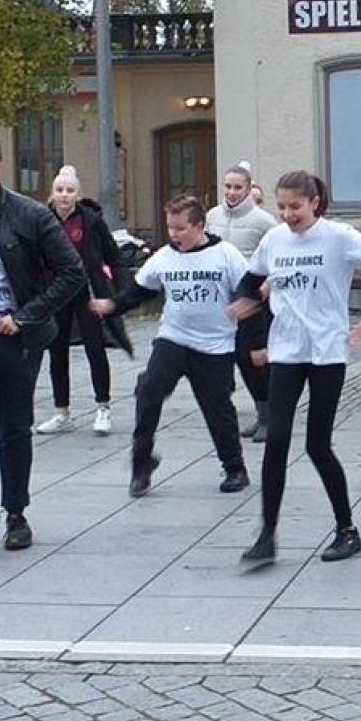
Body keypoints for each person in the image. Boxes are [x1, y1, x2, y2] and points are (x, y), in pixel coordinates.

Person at [232, 172, 361, 564]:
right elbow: (248, 283)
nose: (288, 215)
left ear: (314, 203)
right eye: (282, 207)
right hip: (287, 351)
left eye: (295, 206)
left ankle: (347, 529)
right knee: (276, 439)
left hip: (327, 351)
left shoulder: (338, 236)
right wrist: (250, 302)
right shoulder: (274, 240)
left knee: (316, 445)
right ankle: (267, 534)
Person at [90, 195, 250, 498]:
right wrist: (112, 305)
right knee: (148, 390)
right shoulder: (165, 256)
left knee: (218, 407)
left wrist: (248, 312)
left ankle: (234, 467)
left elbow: (250, 289)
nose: (174, 235)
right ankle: (141, 463)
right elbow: (139, 291)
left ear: (199, 225)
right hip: (173, 339)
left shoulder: (226, 255)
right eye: (170, 228)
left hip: (215, 346)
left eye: (180, 228)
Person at [0, 138, 85, 549]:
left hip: (14, 335)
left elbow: (71, 271)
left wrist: (25, 316)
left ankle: (15, 512)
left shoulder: (28, 215)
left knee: (13, 426)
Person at [35, 165, 131, 437]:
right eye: (59, 190)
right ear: (52, 194)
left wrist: (123, 291)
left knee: (95, 348)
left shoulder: (90, 220)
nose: (64, 195)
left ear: (78, 194)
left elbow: (113, 255)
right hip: (56, 292)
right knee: (56, 351)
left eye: (70, 191)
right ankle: (61, 412)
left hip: (88, 292)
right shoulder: (42, 219)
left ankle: (103, 407)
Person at [205, 163, 277, 442]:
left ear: (249, 189)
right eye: (227, 187)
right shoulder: (212, 217)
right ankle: (251, 413)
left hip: (252, 299)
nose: (232, 192)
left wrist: (265, 287)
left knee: (254, 359)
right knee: (231, 356)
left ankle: (268, 417)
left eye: (238, 187)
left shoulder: (264, 221)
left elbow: (275, 258)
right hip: (221, 300)